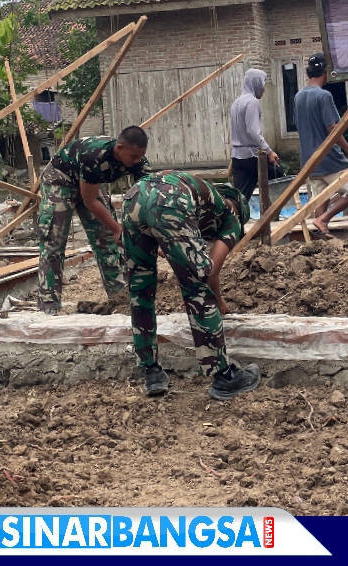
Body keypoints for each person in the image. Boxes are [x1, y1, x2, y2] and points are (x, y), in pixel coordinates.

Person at [121, 170, 260, 400]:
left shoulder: (205, 202)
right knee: (196, 288)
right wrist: (219, 302)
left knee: (140, 289)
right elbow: (210, 273)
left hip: (135, 197)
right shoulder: (231, 218)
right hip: (171, 199)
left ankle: (151, 372)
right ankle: (225, 377)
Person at [36, 128, 150, 313]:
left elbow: (146, 198)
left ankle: (120, 298)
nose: (137, 160)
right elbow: (89, 201)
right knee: (54, 241)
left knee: (106, 238)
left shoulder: (139, 162)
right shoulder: (94, 156)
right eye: (134, 156)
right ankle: (48, 306)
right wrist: (117, 228)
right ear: (120, 148)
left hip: (90, 181)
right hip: (61, 178)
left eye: (141, 156)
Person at [294, 52, 348, 238]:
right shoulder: (323, 96)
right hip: (329, 159)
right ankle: (324, 220)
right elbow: (333, 128)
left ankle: (322, 233)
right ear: (325, 72)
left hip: (309, 161)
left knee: (321, 197)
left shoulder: (299, 96)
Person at [229, 68, 280, 202]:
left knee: (239, 198)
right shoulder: (252, 102)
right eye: (262, 84)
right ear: (256, 83)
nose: (263, 88)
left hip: (237, 158)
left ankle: (233, 215)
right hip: (251, 157)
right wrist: (269, 151)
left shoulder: (236, 102)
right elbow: (253, 131)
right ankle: (273, 212)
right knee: (280, 176)